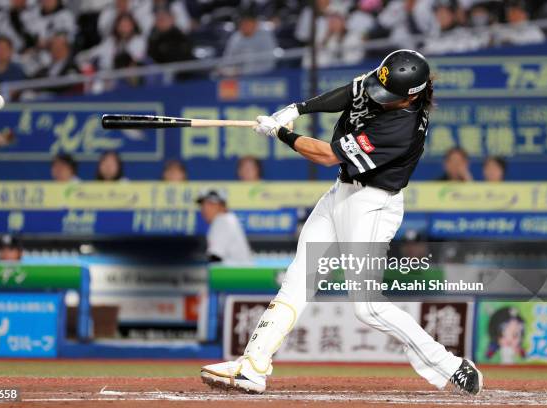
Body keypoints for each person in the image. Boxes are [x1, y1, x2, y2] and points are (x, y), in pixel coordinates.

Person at [201, 50, 483, 395]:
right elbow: (351, 92)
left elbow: (328, 155)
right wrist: (298, 109)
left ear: (411, 94)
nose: (378, 96)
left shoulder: (402, 127)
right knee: (298, 279)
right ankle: (253, 366)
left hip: (373, 205)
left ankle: (451, 365)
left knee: (366, 306)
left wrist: (281, 134)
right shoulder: (388, 78)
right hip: (341, 191)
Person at [196, 189, 253, 264]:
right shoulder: (228, 219)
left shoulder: (222, 221)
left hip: (237, 274)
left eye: (211, 205)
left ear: (222, 206)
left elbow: (215, 257)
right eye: (203, 205)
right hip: (241, 272)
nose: (205, 209)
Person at [220, 7, 277, 76]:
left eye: (247, 22)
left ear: (255, 23)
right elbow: (227, 61)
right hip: (239, 79)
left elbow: (270, 64)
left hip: (263, 78)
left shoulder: (265, 35)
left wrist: (242, 72)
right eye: (242, 23)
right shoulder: (236, 37)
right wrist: (227, 70)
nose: (244, 26)